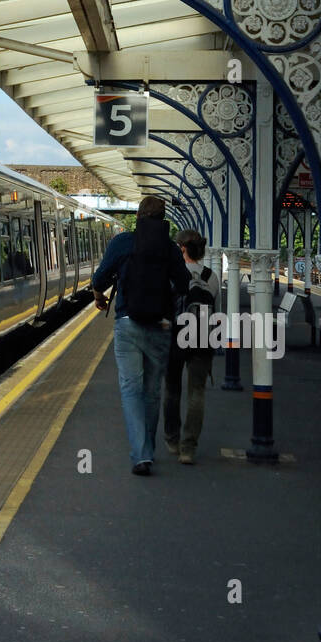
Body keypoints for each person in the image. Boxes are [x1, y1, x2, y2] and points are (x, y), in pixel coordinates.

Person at [92, 197, 189, 476]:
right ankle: (148, 449)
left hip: (128, 324)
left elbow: (100, 279)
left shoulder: (123, 242)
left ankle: (142, 454)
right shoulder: (171, 249)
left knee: (130, 389)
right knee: (152, 390)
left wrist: (100, 297)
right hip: (160, 327)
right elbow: (183, 285)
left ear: (138, 216)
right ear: (164, 219)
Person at [163, 229, 220, 465]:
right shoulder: (212, 276)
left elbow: (165, 305)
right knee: (197, 392)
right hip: (202, 338)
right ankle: (189, 448)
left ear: (183, 248)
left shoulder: (173, 273)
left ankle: (172, 439)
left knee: (172, 389)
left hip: (175, 335)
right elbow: (218, 311)